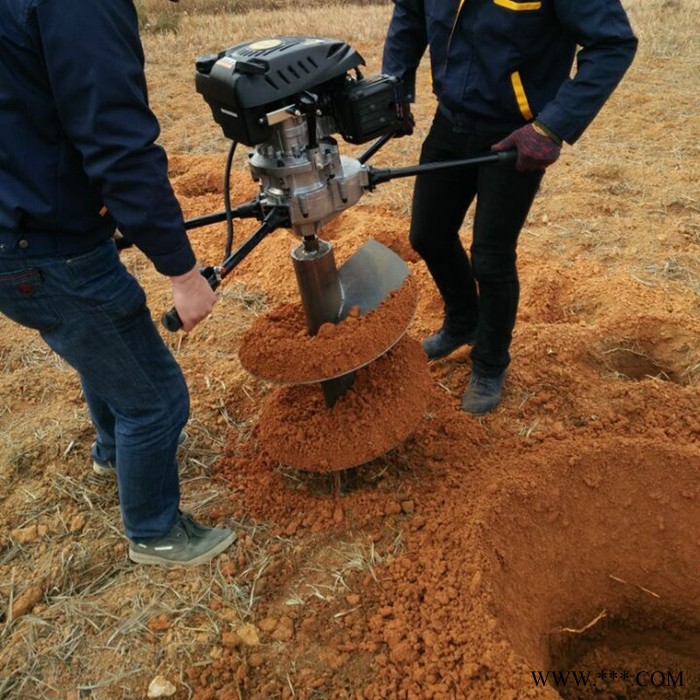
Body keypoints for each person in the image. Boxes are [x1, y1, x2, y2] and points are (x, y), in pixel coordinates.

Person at [0, 0, 237, 567]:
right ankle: (155, 532)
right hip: (46, 247)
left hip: (19, 226)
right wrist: (182, 272)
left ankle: (112, 451)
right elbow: (118, 145)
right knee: (156, 399)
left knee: (100, 344)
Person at [382, 0, 638, 414]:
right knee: (427, 233)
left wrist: (552, 126)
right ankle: (464, 321)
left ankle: (490, 362)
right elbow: (411, 11)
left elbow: (613, 44)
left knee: (491, 258)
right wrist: (394, 83)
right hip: (451, 120)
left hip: (516, 136)